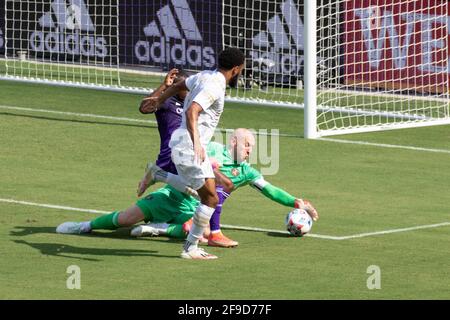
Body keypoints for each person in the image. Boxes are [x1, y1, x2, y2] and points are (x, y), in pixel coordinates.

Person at [138, 47, 246, 260]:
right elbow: (192, 110)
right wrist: (197, 142)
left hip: (182, 142)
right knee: (211, 199)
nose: (241, 74)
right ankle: (190, 248)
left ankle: (159, 174)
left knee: (206, 193)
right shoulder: (215, 86)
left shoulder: (206, 75)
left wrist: (159, 100)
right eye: (241, 70)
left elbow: (179, 84)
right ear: (235, 70)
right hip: (189, 145)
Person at [133, 129, 319, 243]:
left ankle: (159, 228)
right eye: (247, 145)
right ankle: (160, 175)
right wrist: (206, 160)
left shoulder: (247, 172)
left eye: (252, 148)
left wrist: (297, 203)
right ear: (233, 142)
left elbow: (270, 190)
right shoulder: (212, 148)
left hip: (195, 206)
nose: (249, 151)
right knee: (125, 219)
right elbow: (184, 156)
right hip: (174, 193)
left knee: (201, 231)